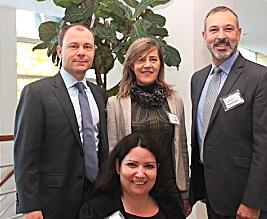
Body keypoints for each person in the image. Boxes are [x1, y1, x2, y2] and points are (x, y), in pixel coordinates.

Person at [189, 6, 267, 219]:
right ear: (205, 36)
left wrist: (252, 201)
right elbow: (203, 136)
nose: (221, 36)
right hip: (213, 194)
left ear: (239, 33)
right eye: (214, 30)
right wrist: (199, 187)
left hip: (247, 199)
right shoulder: (198, 79)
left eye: (228, 29)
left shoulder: (261, 78)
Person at [14, 24, 109, 219]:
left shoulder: (100, 95)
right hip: (54, 200)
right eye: (74, 46)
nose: (81, 52)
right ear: (60, 51)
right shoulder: (37, 93)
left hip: (96, 197)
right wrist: (30, 206)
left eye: (87, 47)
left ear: (94, 52)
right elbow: (26, 155)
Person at [106, 38, 191, 216]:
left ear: (160, 64)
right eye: (141, 60)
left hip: (170, 188)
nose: (147, 65)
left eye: (153, 59)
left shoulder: (175, 102)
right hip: (134, 187)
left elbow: (181, 149)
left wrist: (185, 192)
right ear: (131, 65)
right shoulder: (116, 104)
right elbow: (114, 150)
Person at [80, 132, 185, 219]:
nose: (140, 174)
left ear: (158, 168)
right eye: (132, 165)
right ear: (117, 166)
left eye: (149, 166)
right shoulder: (95, 211)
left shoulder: (171, 205)